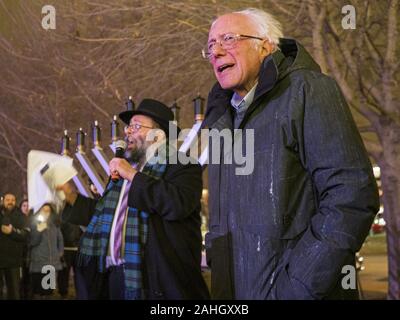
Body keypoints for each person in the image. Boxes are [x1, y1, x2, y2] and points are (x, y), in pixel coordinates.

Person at [201, 8, 380, 299]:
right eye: (210, 45)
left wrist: (297, 288)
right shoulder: (221, 120)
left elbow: (351, 198)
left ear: (266, 45)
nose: (216, 51)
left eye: (229, 39)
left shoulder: (308, 91)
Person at [59, 98, 209, 300]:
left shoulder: (183, 167)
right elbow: (107, 217)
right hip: (114, 279)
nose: (127, 131)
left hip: (155, 282)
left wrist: (132, 175)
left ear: (158, 135)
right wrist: (71, 197)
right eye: (128, 127)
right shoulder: (123, 173)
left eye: (136, 126)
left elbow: (177, 204)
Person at [29, 203, 64, 299]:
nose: (45, 212)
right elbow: (32, 242)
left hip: (51, 263)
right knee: (38, 291)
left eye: (48, 210)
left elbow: (60, 239)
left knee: (49, 290)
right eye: (43, 210)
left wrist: (60, 252)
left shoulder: (55, 225)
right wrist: (38, 231)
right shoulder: (33, 224)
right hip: (38, 262)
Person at [0, 193, 29, 300]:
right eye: (8, 199)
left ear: (15, 202)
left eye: (12, 199)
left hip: (14, 261)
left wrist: (12, 231)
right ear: (3, 201)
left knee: (14, 292)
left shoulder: (21, 216)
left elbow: (25, 235)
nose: (10, 202)